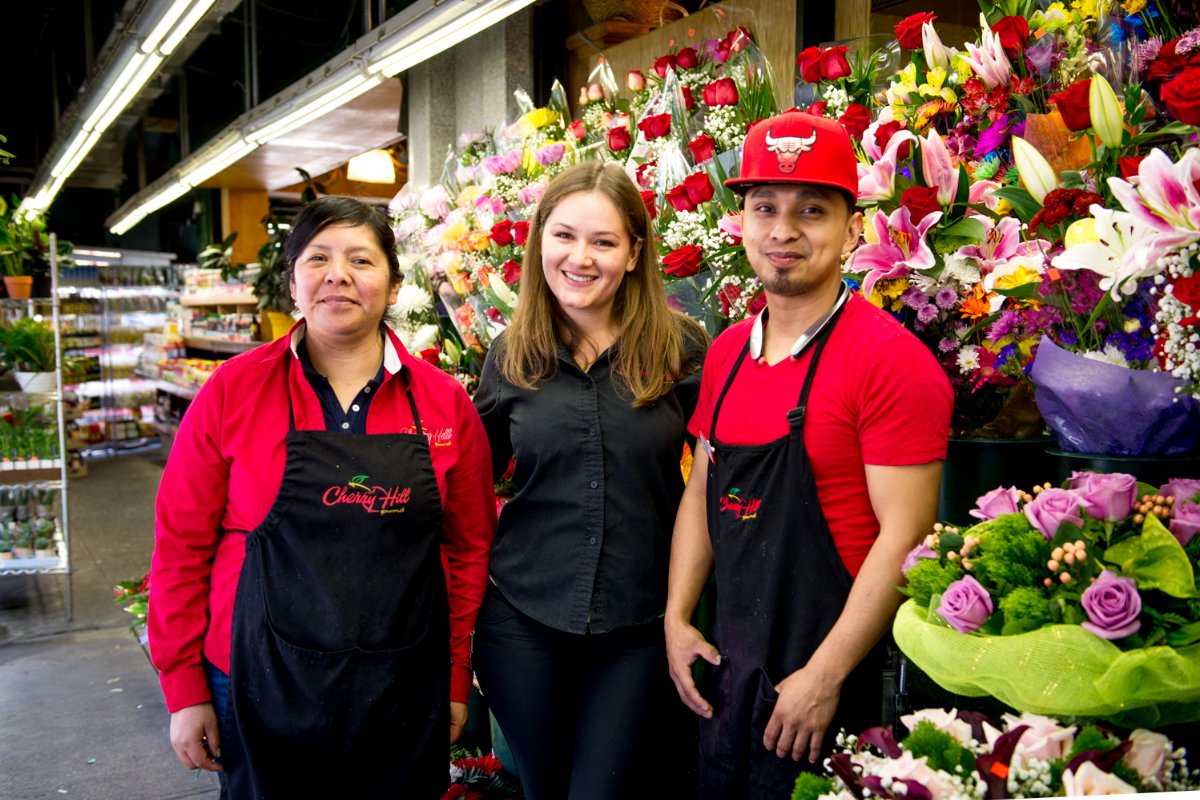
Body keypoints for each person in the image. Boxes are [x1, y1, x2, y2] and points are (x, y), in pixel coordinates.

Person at [149, 196, 496, 798]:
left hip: (403, 681)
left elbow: (469, 551)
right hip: (251, 677)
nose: (338, 274)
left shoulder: (444, 405)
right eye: (318, 258)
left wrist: (455, 677)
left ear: (391, 282)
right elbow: (181, 545)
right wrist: (185, 687)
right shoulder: (234, 391)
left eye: (360, 259)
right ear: (293, 283)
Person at [664, 111, 953, 798]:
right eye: (764, 207)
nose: (783, 231)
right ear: (742, 223)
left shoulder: (889, 362)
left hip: (834, 682)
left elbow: (905, 538)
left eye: (811, 210)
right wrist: (676, 616)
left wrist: (825, 676)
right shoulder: (728, 351)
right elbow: (702, 492)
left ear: (854, 229)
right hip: (733, 670)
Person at [472, 161, 708, 799]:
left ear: (634, 254)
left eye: (603, 242)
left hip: (637, 624)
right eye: (564, 236)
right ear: (540, 241)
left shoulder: (681, 350)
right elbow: (469, 488)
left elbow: (715, 482)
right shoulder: (509, 355)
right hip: (521, 619)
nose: (581, 257)